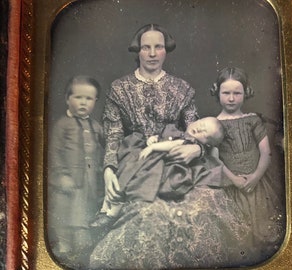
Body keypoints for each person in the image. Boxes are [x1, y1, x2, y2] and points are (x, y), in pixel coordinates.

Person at [90, 24, 254, 269]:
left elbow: (197, 128)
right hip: (139, 158)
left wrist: (197, 149)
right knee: (149, 215)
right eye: (147, 47)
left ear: (166, 51)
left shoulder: (182, 88)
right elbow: (113, 134)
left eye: (159, 47)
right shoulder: (119, 88)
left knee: (205, 204)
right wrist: (108, 170)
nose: (153, 53)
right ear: (138, 51)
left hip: (179, 157)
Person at [90, 117, 226, 227]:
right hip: (149, 157)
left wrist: (154, 146)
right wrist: (153, 139)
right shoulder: (177, 132)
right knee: (127, 170)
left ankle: (113, 212)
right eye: (201, 123)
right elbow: (163, 138)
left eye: (205, 133)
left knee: (140, 178)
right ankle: (106, 209)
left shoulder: (188, 142)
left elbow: (172, 144)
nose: (199, 128)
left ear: (206, 143)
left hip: (160, 163)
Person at [211, 66, 285, 261]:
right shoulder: (213, 124)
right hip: (231, 185)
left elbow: (266, 153)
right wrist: (234, 179)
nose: (231, 98)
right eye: (226, 93)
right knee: (238, 236)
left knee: (264, 233)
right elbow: (214, 158)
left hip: (257, 184)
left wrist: (255, 177)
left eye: (237, 93)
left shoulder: (252, 120)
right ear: (217, 92)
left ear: (246, 93)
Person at [47, 75, 104, 267]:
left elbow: (103, 151)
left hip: (89, 181)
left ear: (95, 101)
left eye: (88, 99)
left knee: (85, 215)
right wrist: (60, 176)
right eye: (78, 97)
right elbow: (54, 154)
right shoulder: (63, 125)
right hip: (69, 182)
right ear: (67, 99)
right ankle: (62, 249)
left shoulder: (96, 126)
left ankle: (81, 250)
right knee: (65, 214)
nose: (83, 103)